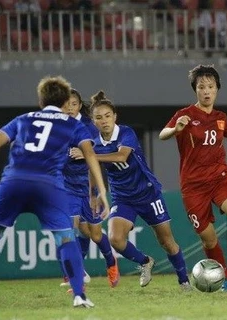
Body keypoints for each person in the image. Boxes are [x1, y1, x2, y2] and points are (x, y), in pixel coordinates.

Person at [0, 76, 109, 310]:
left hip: (13, 181)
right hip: (48, 185)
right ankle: (79, 296)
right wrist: (100, 191)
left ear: (41, 100)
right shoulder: (72, 124)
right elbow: (90, 154)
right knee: (65, 238)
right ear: (64, 101)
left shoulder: (23, 119)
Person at [159, 64, 227, 291]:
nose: (206, 91)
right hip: (193, 186)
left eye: (210, 86)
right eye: (202, 87)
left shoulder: (221, 118)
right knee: (208, 238)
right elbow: (162, 134)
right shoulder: (185, 115)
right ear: (195, 90)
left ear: (217, 89)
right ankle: (225, 274)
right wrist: (176, 129)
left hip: (219, 178)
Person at [70, 91, 191, 290]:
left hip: (148, 193)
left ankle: (183, 280)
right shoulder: (93, 144)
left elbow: (121, 157)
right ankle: (145, 261)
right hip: (123, 197)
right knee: (115, 239)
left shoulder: (126, 133)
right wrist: (94, 194)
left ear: (115, 117)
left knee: (166, 241)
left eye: (108, 116)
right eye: (99, 118)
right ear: (93, 122)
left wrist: (88, 155)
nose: (104, 121)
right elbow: (93, 169)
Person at [58, 89, 119, 289]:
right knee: (69, 227)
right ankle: (76, 275)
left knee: (93, 234)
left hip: (87, 186)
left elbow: (94, 154)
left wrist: (84, 152)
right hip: (67, 187)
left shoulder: (87, 127)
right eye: (66, 103)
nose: (69, 107)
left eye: (73, 103)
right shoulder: (56, 126)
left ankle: (111, 262)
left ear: (79, 106)